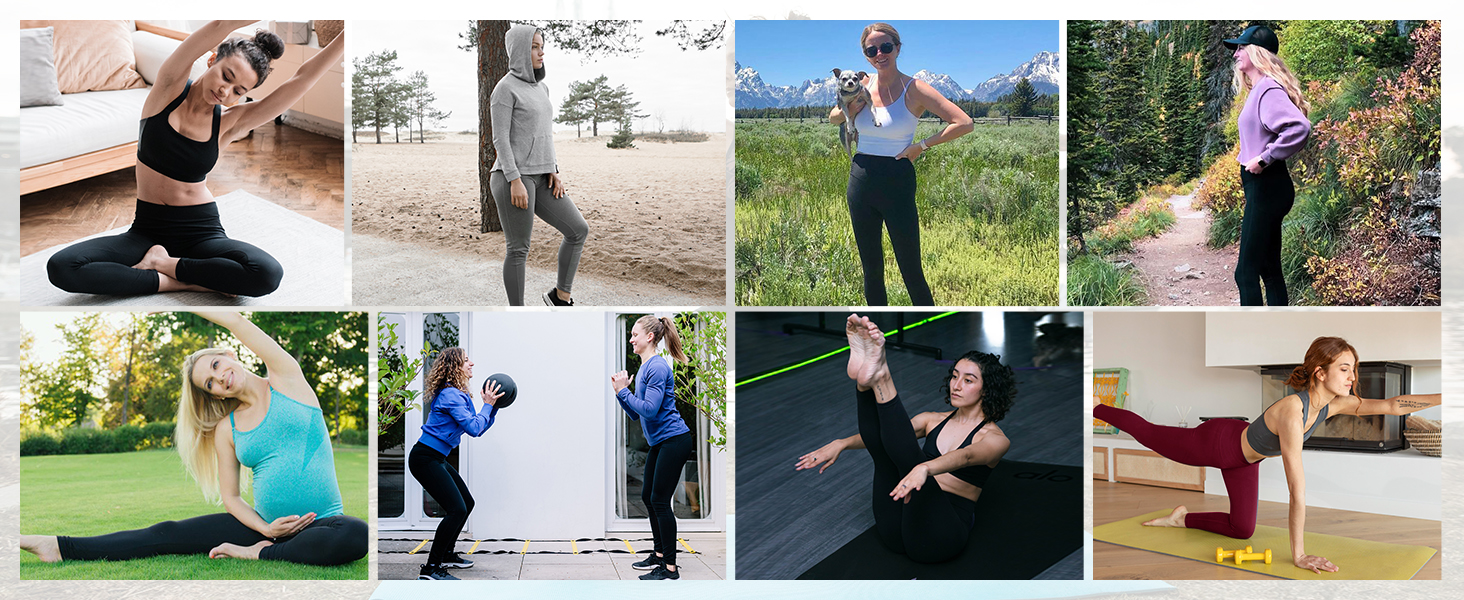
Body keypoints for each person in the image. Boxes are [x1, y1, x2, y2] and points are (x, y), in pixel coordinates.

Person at [20, 311, 367, 566]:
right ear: (214, 396)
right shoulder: (226, 428)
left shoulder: (287, 379)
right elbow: (231, 498)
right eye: (210, 384)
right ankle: (59, 546)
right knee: (166, 533)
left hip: (322, 523)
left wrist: (184, 303)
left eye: (216, 366)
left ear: (229, 355)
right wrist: (266, 528)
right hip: (264, 526)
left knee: (356, 534)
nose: (220, 379)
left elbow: (239, 323)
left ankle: (257, 554)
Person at [46, 20, 345, 298]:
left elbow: (301, 81)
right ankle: (182, 280)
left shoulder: (230, 123)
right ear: (212, 59)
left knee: (266, 274)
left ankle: (167, 265)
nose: (225, 91)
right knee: (62, 267)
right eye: (226, 76)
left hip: (200, 232)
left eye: (238, 91)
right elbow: (221, 24)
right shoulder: (167, 89)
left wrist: (348, 36)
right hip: (146, 229)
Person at [1094, 336, 1441, 574]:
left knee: (1242, 530)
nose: (1353, 376)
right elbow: (1297, 492)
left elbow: (1394, 404)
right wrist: (1300, 555)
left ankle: (1180, 519)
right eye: (1345, 368)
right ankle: (1096, 407)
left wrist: (1447, 394)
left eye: (1353, 368)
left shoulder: (1333, 406)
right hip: (1217, 442)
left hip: (1245, 460)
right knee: (1149, 433)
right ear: (1320, 372)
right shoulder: (1293, 412)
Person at [795, 314, 1015, 563]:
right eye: (954, 376)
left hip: (941, 535)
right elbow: (888, 435)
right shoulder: (933, 419)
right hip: (898, 527)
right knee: (885, 453)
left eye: (968, 380)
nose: (956, 385)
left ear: (987, 389)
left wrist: (924, 468)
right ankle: (865, 383)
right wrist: (842, 444)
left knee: (910, 461)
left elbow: (965, 456)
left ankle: (881, 375)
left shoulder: (996, 439)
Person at [829, 23, 975, 306]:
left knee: (911, 270)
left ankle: (931, 333)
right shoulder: (861, 85)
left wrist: (921, 146)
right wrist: (851, 107)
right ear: (866, 54)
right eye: (872, 50)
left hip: (897, 180)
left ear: (897, 47)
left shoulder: (915, 88)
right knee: (871, 271)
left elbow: (964, 123)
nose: (879, 54)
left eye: (886, 47)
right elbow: (834, 117)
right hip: (860, 181)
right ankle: (878, 337)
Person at [489, 24, 590, 307]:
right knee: (519, 249)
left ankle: (560, 297)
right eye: (534, 46)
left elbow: (544, 133)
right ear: (520, 50)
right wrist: (514, 179)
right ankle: (517, 312)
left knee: (578, 229)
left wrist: (553, 169)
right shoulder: (504, 90)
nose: (541, 52)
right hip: (512, 179)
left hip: (542, 176)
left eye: (542, 46)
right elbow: (501, 139)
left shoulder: (542, 87)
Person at [1225, 25, 1311, 306]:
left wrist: (1265, 158)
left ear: (1256, 52)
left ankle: (1252, 338)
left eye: (1240, 47)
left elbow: (1299, 127)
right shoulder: (1261, 88)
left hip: (1266, 186)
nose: (1236, 53)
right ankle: (1276, 330)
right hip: (1265, 187)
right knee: (1269, 271)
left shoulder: (1268, 89)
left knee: (1245, 272)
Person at [410, 347, 505, 581]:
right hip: (425, 457)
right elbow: (473, 427)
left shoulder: (459, 394)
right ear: (455, 366)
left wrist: (492, 408)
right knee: (457, 509)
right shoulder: (451, 395)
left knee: (467, 503)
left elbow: (478, 428)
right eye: (466, 360)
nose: (471, 363)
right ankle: (431, 568)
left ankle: (447, 554)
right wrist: (488, 406)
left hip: (437, 457)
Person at [611, 316, 694, 580]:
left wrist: (625, 392)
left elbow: (650, 408)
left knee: (659, 500)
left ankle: (669, 567)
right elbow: (638, 415)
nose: (631, 339)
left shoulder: (657, 368)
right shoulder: (647, 367)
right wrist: (620, 393)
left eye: (635, 334)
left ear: (649, 337)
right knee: (649, 496)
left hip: (674, 440)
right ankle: (659, 554)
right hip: (662, 442)